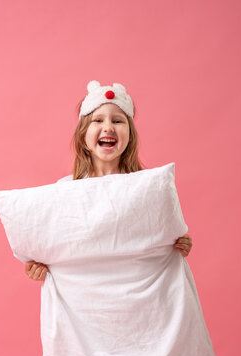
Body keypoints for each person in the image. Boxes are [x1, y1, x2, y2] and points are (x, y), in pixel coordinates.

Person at [24, 80, 193, 281]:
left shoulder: (147, 188)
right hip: (90, 299)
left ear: (129, 136)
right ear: (83, 136)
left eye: (118, 121)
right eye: (98, 121)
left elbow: (159, 233)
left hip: (136, 291)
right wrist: (40, 266)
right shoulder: (66, 190)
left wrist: (179, 242)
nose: (108, 128)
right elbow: (60, 246)